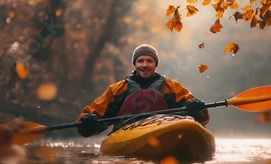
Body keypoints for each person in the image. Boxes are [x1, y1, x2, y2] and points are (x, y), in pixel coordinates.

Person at [77, 44, 209, 137]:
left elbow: (202, 116)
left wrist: (197, 108)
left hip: (164, 131)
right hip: (127, 134)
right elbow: (91, 117)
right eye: (140, 61)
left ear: (155, 65)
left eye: (149, 61)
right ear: (135, 64)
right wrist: (87, 121)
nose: (145, 65)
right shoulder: (117, 90)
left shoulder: (172, 87)